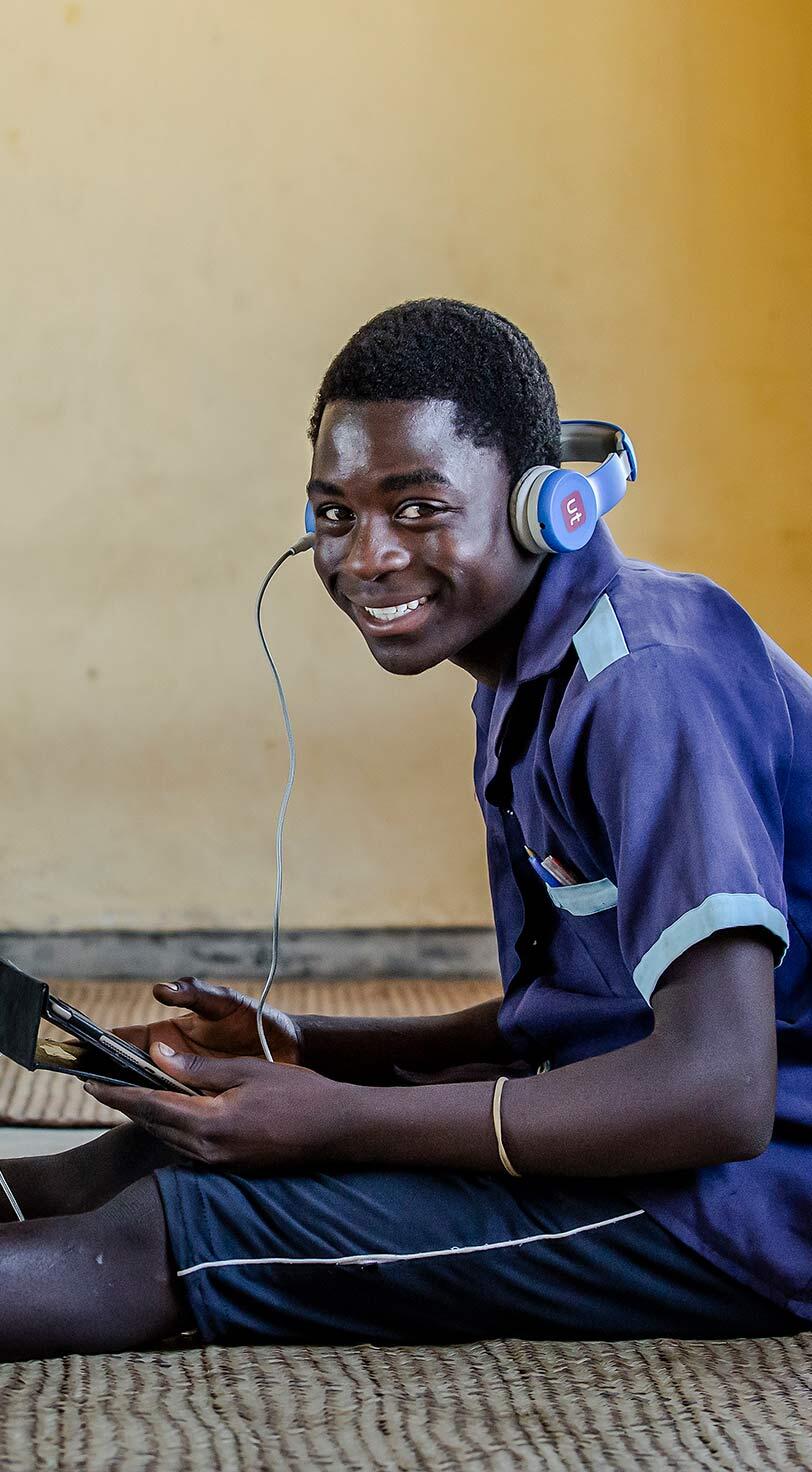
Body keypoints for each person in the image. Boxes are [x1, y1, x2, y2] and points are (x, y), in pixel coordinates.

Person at [0, 298, 809, 1359]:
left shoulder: (644, 687)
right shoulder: (529, 668)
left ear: (542, 505)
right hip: (660, 1124)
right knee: (143, 1157)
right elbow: (591, 1006)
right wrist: (322, 1050)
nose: (366, 556)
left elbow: (717, 1090)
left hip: (738, 1201)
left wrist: (337, 1116)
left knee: (192, 1226)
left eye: (416, 506)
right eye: (333, 513)